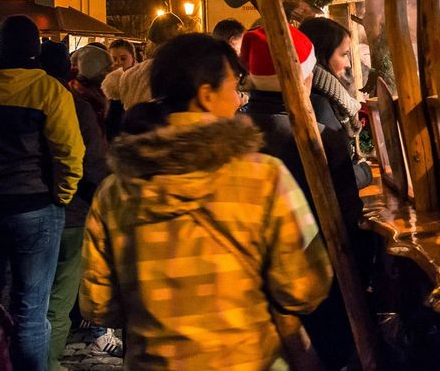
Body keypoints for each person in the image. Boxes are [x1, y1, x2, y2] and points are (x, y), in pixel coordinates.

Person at [80, 33, 332, 367]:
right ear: (205, 95)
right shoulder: (264, 177)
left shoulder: (116, 192)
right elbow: (304, 286)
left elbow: (98, 305)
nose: (237, 98)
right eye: (232, 87)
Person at [0, 15, 84, 371]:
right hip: (34, 205)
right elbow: (69, 153)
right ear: (35, 49)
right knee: (31, 309)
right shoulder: (48, 90)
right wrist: (62, 195)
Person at [239, 26, 366, 370]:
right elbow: (348, 216)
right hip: (314, 284)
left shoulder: (230, 135)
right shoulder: (320, 139)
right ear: (305, 78)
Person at [36, 41, 117, 366]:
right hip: (71, 209)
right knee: (58, 296)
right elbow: (92, 163)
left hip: (24, 206)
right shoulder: (74, 104)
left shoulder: (15, 100)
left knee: (29, 297)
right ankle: (48, 362)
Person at [299, 16, 372, 188]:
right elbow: (336, 177)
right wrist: (364, 172)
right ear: (322, 54)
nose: (348, 63)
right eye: (344, 55)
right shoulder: (319, 104)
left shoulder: (329, 98)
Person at [102, 12, 184, 111]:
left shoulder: (132, 78)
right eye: (114, 59)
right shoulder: (193, 73)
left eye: (123, 58)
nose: (118, 63)